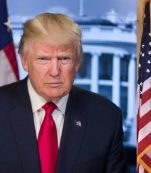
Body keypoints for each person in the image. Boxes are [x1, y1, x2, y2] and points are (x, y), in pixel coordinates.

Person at [0, 13, 129, 173]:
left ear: (78, 62)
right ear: (25, 61)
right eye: (43, 59)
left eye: (64, 59)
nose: (54, 71)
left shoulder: (106, 117)